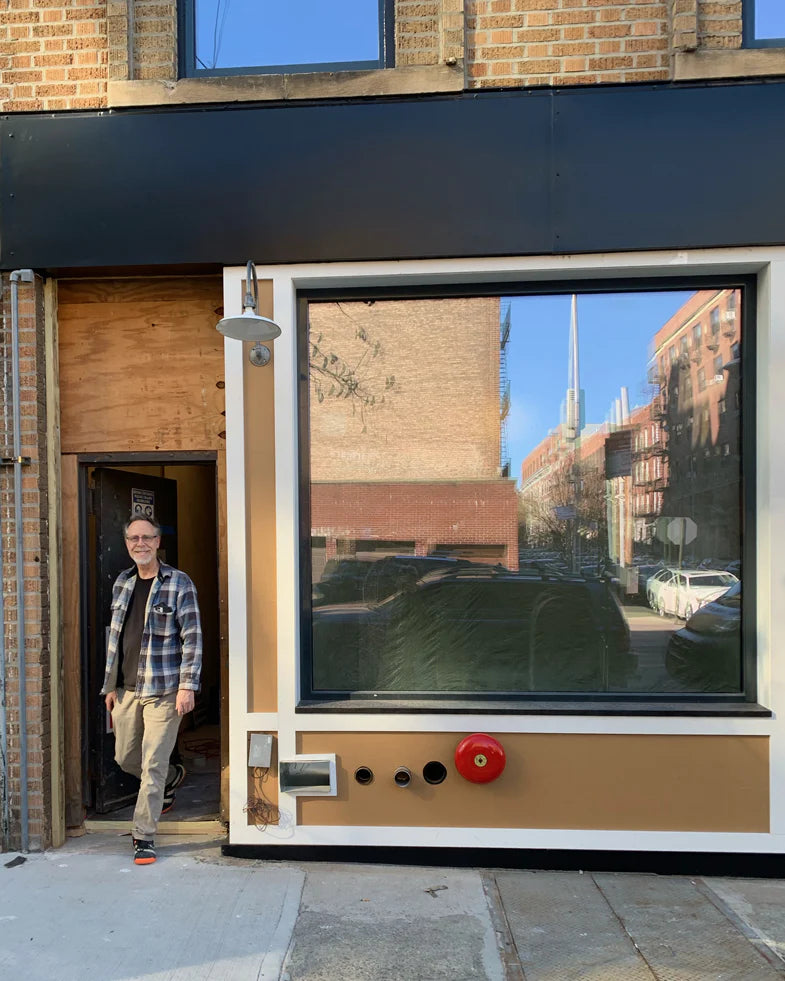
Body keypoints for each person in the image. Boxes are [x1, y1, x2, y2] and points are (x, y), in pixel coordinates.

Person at [101, 515, 202, 866]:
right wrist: (110, 686)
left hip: (164, 691)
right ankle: (176, 776)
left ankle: (143, 836)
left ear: (159, 541)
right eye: (133, 538)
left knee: (153, 763)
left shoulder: (178, 583)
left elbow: (192, 638)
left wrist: (187, 686)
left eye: (147, 537)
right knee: (126, 759)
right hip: (127, 690)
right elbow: (114, 639)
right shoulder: (123, 583)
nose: (139, 544)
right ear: (127, 543)